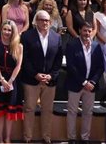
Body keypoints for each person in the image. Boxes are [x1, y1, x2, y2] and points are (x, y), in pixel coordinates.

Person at [20, 9, 64, 144]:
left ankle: (46, 136)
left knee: (47, 109)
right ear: (36, 22)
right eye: (42, 20)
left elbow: (58, 59)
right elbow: (24, 59)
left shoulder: (57, 37)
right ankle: (27, 137)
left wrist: (51, 75)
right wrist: (35, 74)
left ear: (50, 22)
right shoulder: (27, 36)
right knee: (29, 109)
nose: (45, 22)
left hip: (49, 81)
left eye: (47, 20)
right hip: (31, 79)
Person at [65, 22, 104, 144]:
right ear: (80, 30)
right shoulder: (72, 45)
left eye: (89, 30)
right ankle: (71, 138)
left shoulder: (97, 46)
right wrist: (83, 82)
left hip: (91, 86)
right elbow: (71, 66)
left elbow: (100, 67)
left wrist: (92, 81)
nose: (87, 33)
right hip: (75, 84)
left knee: (88, 112)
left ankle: (85, 138)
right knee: (72, 112)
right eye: (85, 30)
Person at [0, 20, 24, 143]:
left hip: (13, 81)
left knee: (9, 112)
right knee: (0, 112)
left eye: (9, 30)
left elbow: (18, 66)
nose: (7, 32)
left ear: (13, 32)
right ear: (1, 30)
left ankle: (7, 138)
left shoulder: (19, 46)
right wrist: (1, 79)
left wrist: (10, 81)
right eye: (5, 29)